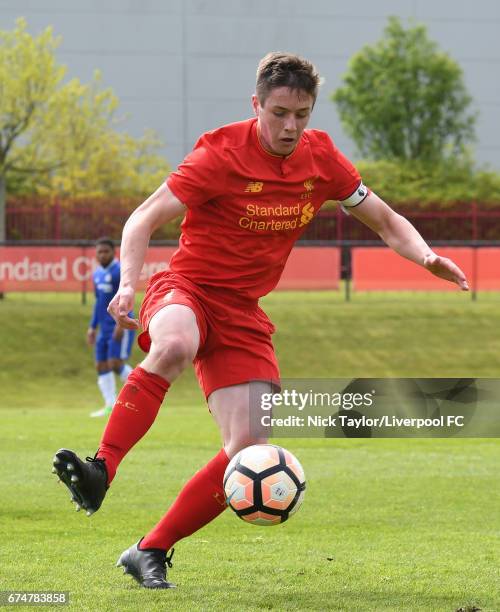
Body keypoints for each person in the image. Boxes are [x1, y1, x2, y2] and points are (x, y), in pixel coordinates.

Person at [52, 52, 469, 589]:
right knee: (175, 343)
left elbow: (386, 221)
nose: (291, 126)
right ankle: (101, 469)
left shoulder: (322, 161)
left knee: (248, 447)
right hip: (188, 289)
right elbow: (143, 219)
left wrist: (427, 256)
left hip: (243, 313)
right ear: (257, 105)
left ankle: (149, 550)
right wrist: (129, 282)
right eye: (279, 113)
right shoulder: (218, 152)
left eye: (302, 114)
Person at [87, 237, 135, 418]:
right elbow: (98, 303)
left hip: (118, 325)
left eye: (105, 251)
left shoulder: (119, 272)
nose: (101, 255)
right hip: (103, 328)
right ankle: (110, 405)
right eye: (99, 252)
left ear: (114, 253)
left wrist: (121, 324)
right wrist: (92, 327)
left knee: (115, 364)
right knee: (101, 365)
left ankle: (143, 394)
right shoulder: (97, 274)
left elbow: (126, 299)